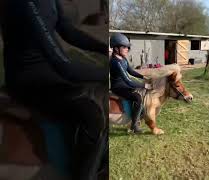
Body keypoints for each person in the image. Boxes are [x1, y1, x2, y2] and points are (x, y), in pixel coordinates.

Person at [1, 0, 108, 179]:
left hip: (50, 69)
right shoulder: (27, 4)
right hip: (29, 77)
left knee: (96, 92)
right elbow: (64, 66)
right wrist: (106, 74)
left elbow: (67, 29)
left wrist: (104, 48)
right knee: (91, 115)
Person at [110, 33, 152, 133]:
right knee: (137, 97)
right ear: (116, 49)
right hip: (118, 87)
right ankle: (134, 125)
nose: (127, 49)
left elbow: (131, 71)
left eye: (127, 47)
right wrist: (145, 85)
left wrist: (143, 77)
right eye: (124, 47)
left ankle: (137, 118)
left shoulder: (123, 59)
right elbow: (128, 80)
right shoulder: (116, 62)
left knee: (140, 93)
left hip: (124, 84)